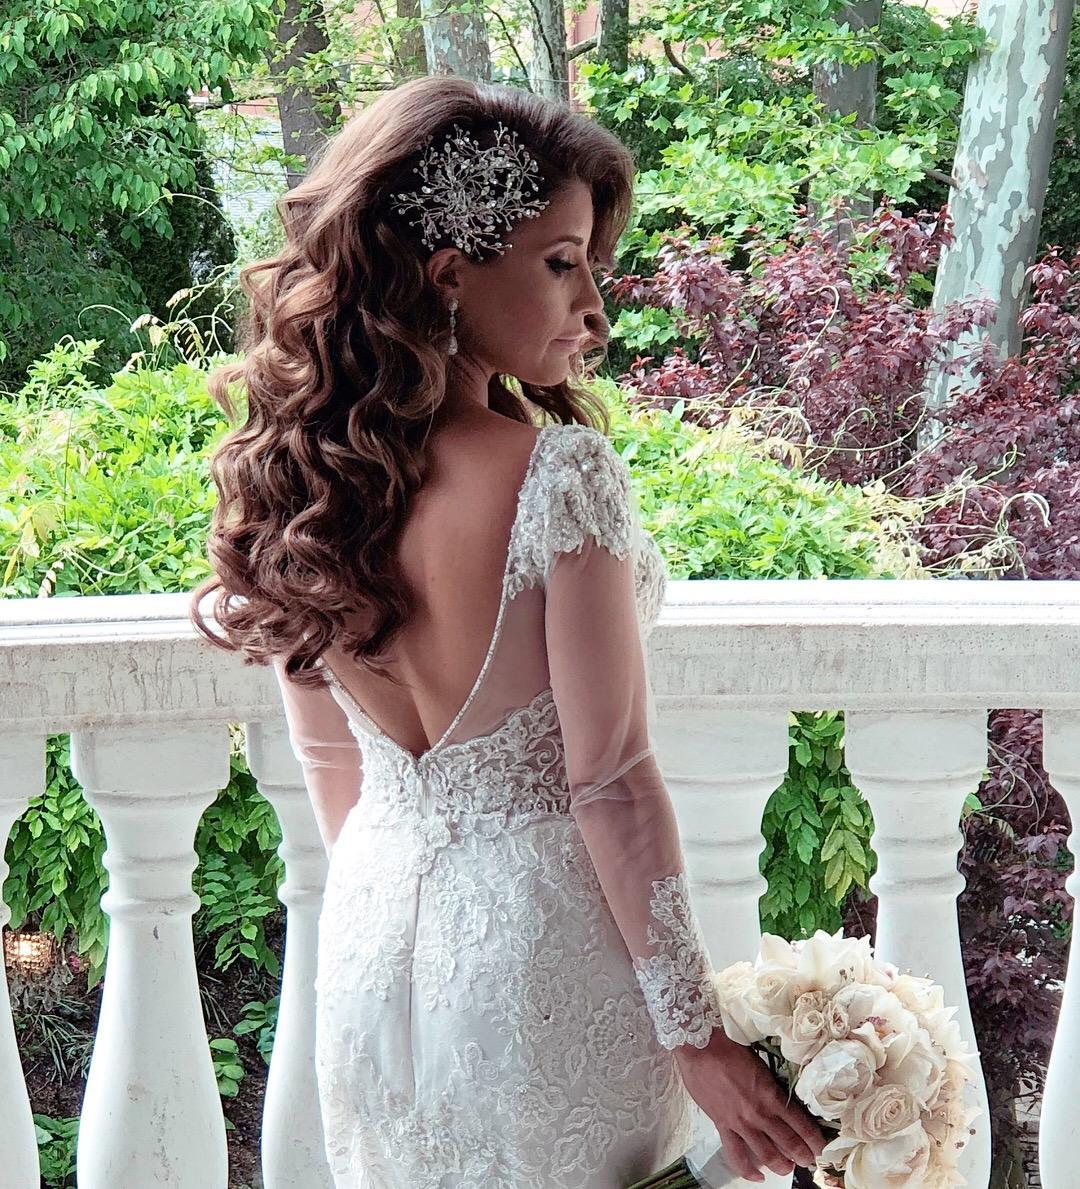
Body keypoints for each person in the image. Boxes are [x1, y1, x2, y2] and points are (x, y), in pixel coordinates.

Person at [189, 75, 827, 1188]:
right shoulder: (558, 473)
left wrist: (420, 910)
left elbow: (331, 763)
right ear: (449, 274)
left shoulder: (301, 490)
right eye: (562, 261)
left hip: (373, 951)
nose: (595, 309)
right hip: (544, 960)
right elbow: (612, 782)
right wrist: (698, 1040)